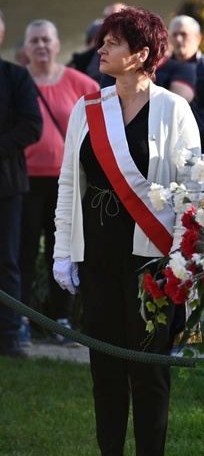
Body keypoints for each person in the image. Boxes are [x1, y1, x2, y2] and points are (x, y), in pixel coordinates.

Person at [53, 6, 200, 455]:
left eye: (112, 42)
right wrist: (63, 249)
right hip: (96, 255)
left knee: (149, 372)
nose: (101, 48)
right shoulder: (87, 107)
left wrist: (179, 258)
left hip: (152, 259)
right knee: (106, 369)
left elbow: (192, 194)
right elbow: (68, 182)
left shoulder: (174, 109)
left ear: (139, 54)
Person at [19, 19, 98, 347]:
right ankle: (21, 318)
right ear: (24, 49)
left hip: (66, 183)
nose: (40, 46)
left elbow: (99, 125)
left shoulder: (80, 82)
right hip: (23, 182)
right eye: (34, 40)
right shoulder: (17, 81)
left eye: (46, 40)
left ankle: (61, 320)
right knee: (21, 252)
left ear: (56, 45)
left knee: (61, 251)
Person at [0, 8, 43, 357]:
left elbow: (32, 125)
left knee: (6, 262)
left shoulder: (15, 77)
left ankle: (9, 335)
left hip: (6, 186)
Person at [168, 15, 204, 152]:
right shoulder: (161, 70)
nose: (178, 39)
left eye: (183, 34)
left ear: (198, 38)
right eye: (174, 35)